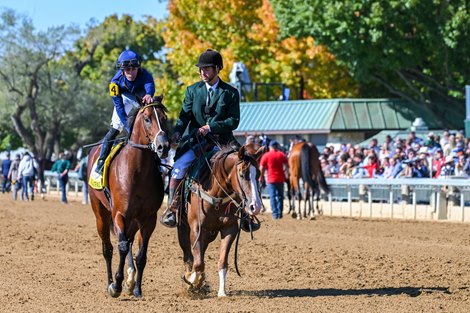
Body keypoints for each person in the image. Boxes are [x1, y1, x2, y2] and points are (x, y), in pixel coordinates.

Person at [160, 49, 242, 228]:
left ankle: (246, 213)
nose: (202, 72)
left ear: (217, 68)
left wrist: (210, 127)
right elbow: (184, 116)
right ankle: (172, 209)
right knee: (178, 168)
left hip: (222, 142)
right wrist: (178, 132)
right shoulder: (192, 90)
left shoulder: (230, 93)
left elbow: (233, 121)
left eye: (206, 69)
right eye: (200, 69)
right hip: (196, 141)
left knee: (243, 166)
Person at [92, 49, 155, 179]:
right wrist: (127, 127)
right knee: (115, 129)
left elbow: (149, 85)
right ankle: (101, 162)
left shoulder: (146, 74)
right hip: (123, 101)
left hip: (140, 98)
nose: (131, 73)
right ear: (122, 70)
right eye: (127, 70)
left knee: (153, 124)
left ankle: (157, 162)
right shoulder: (114, 83)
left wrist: (149, 94)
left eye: (133, 69)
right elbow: (119, 107)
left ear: (138, 68)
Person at [259, 140, 288, 220]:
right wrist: (285, 173)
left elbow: (262, 168)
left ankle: (275, 214)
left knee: (272, 196)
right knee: (280, 196)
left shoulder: (266, 155)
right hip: (280, 178)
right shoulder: (281, 154)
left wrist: (260, 177)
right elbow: (286, 166)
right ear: (277, 147)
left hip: (271, 179)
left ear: (269, 147)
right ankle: (280, 213)